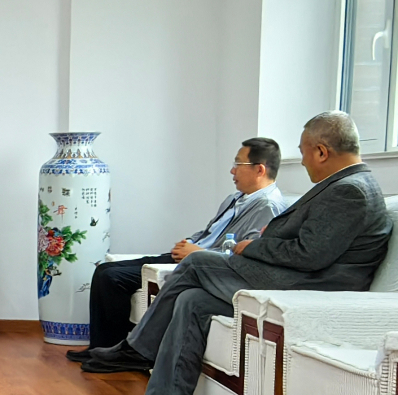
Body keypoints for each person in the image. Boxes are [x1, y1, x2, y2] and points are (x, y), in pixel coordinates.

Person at [86, 112, 391, 395]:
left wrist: (252, 246)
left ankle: (139, 348)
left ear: (322, 152)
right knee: (192, 299)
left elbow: (310, 255)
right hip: (298, 276)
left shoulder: (349, 190)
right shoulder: (346, 185)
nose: (301, 161)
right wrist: (267, 240)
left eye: (302, 152)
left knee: (196, 262)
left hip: (309, 285)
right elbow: (313, 244)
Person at [68, 137, 287, 361]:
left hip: (200, 266)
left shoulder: (268, 207)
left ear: (259, 170)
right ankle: (100, 347)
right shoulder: (236, 199)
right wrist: (188, 242)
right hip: (186, 257)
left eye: (238, 164)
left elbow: (244, 256)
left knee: (113, 278)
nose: (232, 170)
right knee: (104, 269)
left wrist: (196, 253)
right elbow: (209, 232)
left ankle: (115, 352)